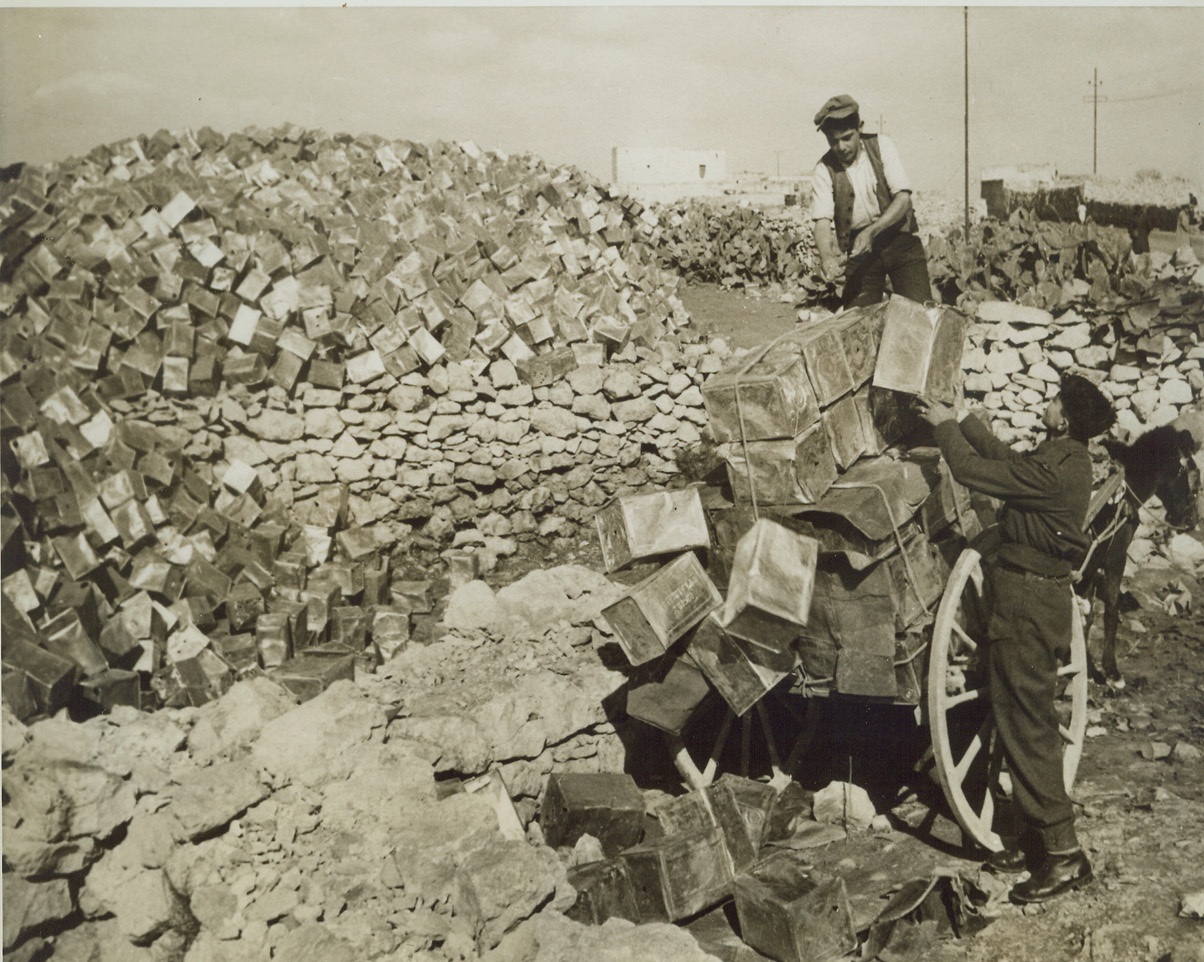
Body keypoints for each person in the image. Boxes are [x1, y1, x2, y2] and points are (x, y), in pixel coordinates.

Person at [916, 374, 1115, 905]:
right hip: (1023, 600)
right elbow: (1003, 457)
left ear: (1065, 419)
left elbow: (975, 470)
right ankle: (1032, 841)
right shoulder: (1061, 458)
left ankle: (1065, 855)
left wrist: (942, 430)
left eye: (1053, 401)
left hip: (1028, 605)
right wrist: (959, 418)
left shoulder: (1061, 468)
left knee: (1028, 730)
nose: (1046, 404)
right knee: (1013, 719)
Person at [809, 94, 932, 309]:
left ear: (860, 128)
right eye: (833, 141)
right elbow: (821, 222)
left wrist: (872, 232)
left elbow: (903, 199)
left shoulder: (883, 146)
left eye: (847, 137)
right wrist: (827, 256)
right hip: (861, 252)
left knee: (918, 314)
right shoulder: (823, 169)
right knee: (858, 320)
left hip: (899, 239)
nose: (841, 147)